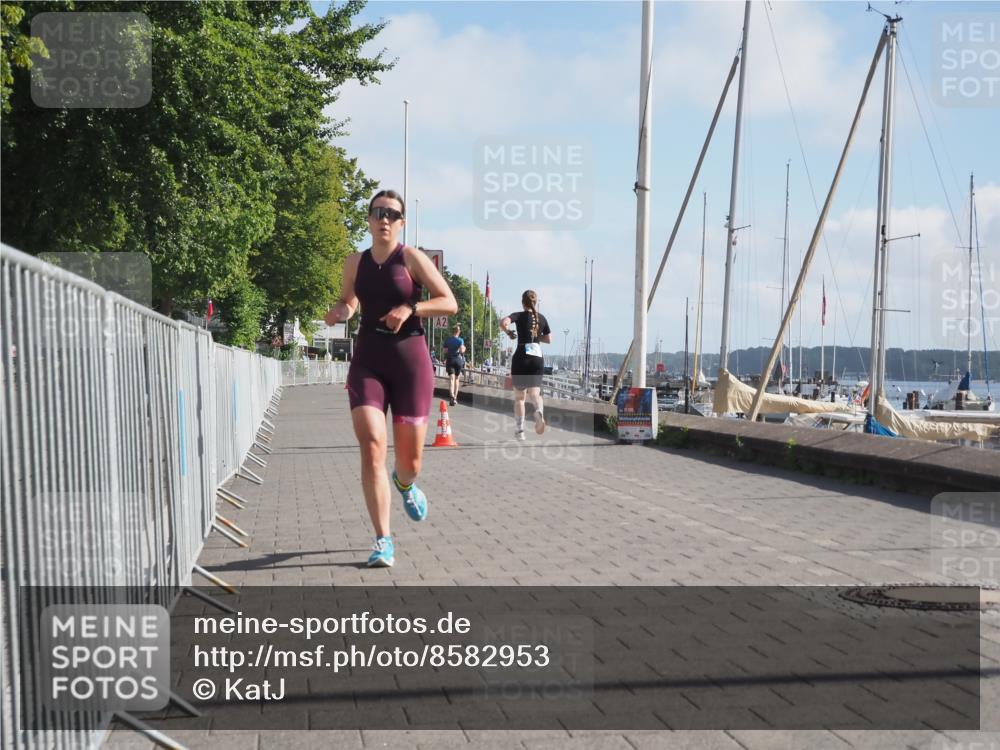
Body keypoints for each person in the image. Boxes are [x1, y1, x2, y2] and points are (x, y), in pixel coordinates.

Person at [325, 190, 458, 568]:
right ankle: (383, 540)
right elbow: (349, 301)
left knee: (410, 462)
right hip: (368, 361)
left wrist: (411, 307)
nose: (384, 219)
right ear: (368, 219)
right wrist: (340, 311)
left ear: (402, 223)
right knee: (372, 446)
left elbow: (448, 301)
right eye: (378, 212)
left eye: (392, 214)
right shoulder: (355, 262)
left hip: (410, 365)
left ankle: (405, 484)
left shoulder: (411, 258)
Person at [500, 290, 552, 440]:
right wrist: (536, 337)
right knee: (535, 394)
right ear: (535, 302)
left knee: (520, 398)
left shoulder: (519, 315)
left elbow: (503, 322)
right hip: (537, 358)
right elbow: (549, 339)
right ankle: (539, 410)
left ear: (523, 303)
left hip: (521, 357)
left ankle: (520, 431)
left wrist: (509, 332)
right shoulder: (542, 318)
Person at [442, 325, 466, 406]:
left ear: (452, 331)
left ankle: (451, 396)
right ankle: (455, 398)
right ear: (459, 331)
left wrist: (450, 349)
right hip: (458, 360)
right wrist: (464, 348)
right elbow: (462, 350)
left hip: (450, 360)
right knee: (457, 379)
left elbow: (444, 351)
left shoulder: (448, 340)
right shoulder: (460, 340)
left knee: (451, 379)